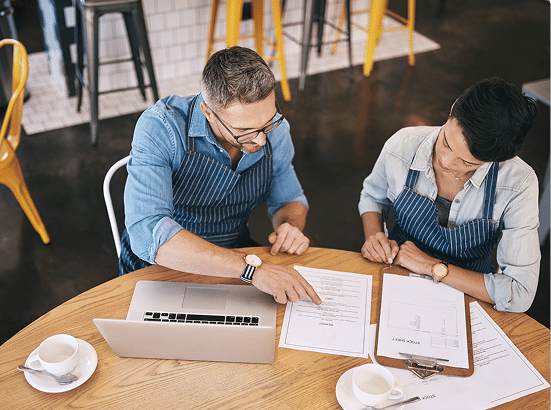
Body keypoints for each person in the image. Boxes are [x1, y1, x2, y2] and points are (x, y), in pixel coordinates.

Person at [120, 46, 321, 306]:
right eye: (244, 131)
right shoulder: (162, 126)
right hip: (160, 267)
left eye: (267, 123)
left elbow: (289, 199)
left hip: (234, 256)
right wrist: (252, 270)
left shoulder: (276, 132)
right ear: (207, 112)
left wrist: (289, 226)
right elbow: (148, 232)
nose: (261, 139)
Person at [359, 77, 540, 313]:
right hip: (397, 272)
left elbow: (519, 293)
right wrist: (374, 236)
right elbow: (372, 197)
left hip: (469, 293)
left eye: (467, 162)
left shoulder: (517, 183)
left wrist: (433, 266)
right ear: (454, 107)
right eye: (446, 143)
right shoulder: (403, 145)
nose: (445, 162)